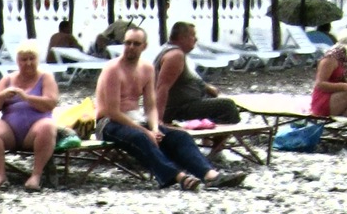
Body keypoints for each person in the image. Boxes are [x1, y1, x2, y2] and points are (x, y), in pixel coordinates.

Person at [93, 28, 219, 190]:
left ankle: (209, 174)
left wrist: (154, 128)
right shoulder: (113, 69)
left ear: (144, 46)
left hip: (136, 119)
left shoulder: (147, 68)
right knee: (140, 137)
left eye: (136, 44)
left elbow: (150, 106)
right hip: (108, 123)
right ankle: (178, 176)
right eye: (128, 43)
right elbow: (112, 112)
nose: (131, 47)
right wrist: (146, 132)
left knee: (180, 137)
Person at [0, 43, 60, 190]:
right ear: (17, 61)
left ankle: (36, 175)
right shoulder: (7, 79)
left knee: (48, 126)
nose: (28, 63)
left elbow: (50, 103)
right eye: (24, 59)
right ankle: (0, 174)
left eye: (31, 59)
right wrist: (2, 96)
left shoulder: (46, 77)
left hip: (35, 128)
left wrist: (26, 97)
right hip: (10, 130)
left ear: (37, 59)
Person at [153, 22, 239, 125]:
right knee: (228, 106)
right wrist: (158, 120)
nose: (196, 39)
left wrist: (207, 87)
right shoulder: (175, 56)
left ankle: (211, 133)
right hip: (178, 110)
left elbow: (185, 79)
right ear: (182, 37)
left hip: (187, 105)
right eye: (193, 35)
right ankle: (222, 136)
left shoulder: (174, 52)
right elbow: (162, 88)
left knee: (220, 101)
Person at [309, 40, 347, 118]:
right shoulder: (330, 59)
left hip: (341, 98)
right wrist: (344, 86)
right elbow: (320, 84)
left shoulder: (345, 60)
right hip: (324, 99)